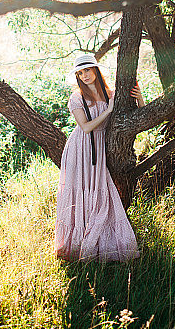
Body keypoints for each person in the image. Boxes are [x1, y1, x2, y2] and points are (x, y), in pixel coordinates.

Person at [54, 53, 143, 262]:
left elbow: (139, 116)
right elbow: (85, 127)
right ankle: (77, 243)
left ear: (95, 70)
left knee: (100, 190)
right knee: (82, 191)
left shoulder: (112, 93)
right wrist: (108, 111)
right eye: (80, 73)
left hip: (101, 147)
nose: (85, 75)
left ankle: (102, 241)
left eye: (88, 70)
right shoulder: (77, 98)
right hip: (81, 148)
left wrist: (139, 97)